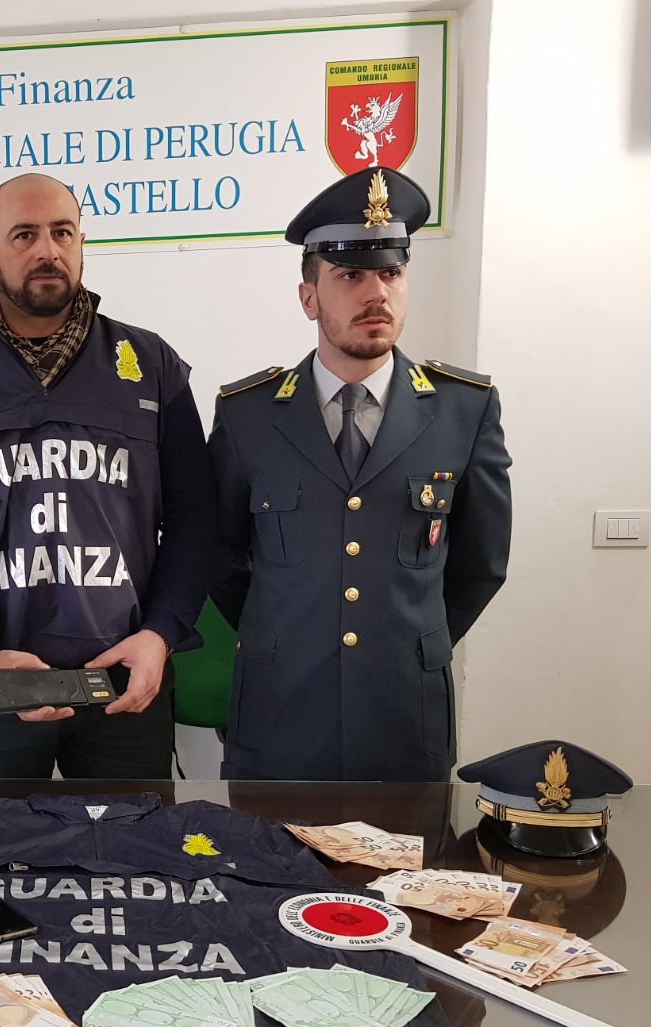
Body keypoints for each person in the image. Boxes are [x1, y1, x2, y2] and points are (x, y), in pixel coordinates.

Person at [0, 172, 216, 785]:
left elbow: (196, 517)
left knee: (132, 844)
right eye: (24, 235)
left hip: (125, 680)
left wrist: (160, 634)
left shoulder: (152, 366)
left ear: (81, 243)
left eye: (62, 233)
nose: (47, 250)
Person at [209, 167, 512, 783]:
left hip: (404, 710)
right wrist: (284, 633)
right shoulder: (248, 416)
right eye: (350, 275)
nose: (377, 293)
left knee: (409, 849)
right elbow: (217, 556)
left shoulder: (465, 409)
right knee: (269, 846)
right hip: (280, 710)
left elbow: (482, 563)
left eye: (391, 274)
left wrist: (411, 639)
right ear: (309, 298)